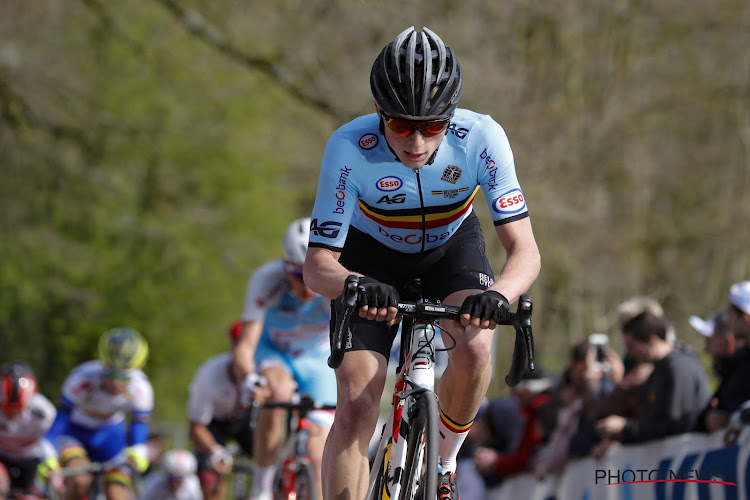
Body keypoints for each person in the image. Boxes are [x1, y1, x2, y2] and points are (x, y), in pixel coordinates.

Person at [303, 26, 541, 500]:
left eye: (432, 126)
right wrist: (354, 283)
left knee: (475, 346)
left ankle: (445, 462)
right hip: (370, 260)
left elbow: (525, 251)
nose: (415, 140)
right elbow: (316, 266)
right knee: (353, 406)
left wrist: (497, 296)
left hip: (451, 248)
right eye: (400, 124)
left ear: (450, 118)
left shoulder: (482, 138)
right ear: (378, 114)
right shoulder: (348, 147)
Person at [235, 217, 336, 500]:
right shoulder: (265, 280)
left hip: (317, 359)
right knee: (276, 393)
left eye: (312, 276)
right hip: (274, 353)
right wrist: (249, 378)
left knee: (318, 457)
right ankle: (263, 488)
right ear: (285, 267)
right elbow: (245, 346)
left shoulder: (332, 288)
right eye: (297, 276)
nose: (306, 287)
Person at [46, 327, 154, 500]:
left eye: (123, 377)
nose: (115, 383)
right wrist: (48, 452)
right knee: (80, 480)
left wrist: (137, 450)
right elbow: (61, 419)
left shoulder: (142, 389)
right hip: (76, 433)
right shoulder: (82, 378)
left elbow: (139, 424)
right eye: (110, 373)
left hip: (110, 436)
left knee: (116, 492)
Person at [595, 311, 710, 445]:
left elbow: (675, 427)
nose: (630, 354)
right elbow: (653, 424)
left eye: (632, 347)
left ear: (652, 341)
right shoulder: (658, 370)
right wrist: (620, 437)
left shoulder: (679, 367)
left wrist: (625, 427)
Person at [694, 280, 750, 432]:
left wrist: (739, 417)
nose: (728, 321)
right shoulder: (739, 362)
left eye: (730, 314)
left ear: (745, 317)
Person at [0, 361, 60, 498]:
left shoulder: (44, 412)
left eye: (17, 409)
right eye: (7, 408)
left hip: (32, 459)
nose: (11, 414)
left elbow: (51, 439)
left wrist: (52, 465)